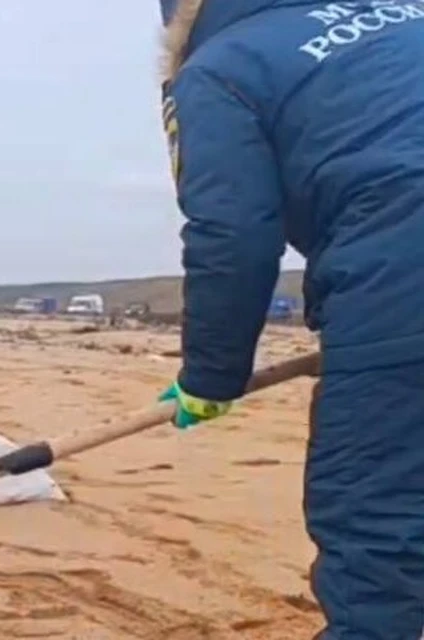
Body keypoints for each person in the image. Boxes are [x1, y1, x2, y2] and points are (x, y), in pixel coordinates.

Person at [156, 2, 424, 638]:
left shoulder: (222, 67)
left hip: (401, 275)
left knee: (376, 541)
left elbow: (233, 234)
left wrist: (211, 376)